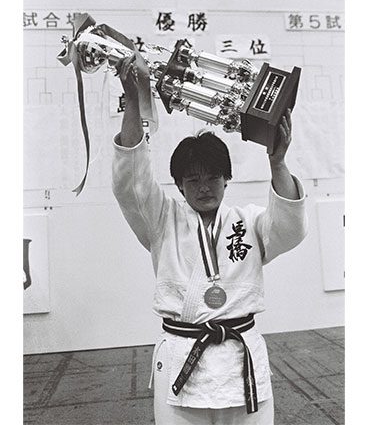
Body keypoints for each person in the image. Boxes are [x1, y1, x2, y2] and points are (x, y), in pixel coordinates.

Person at [111, 51, 308, 424]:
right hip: (183, 356)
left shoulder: (248, 222)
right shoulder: (161, 220)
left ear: (226, 179)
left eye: (213, 177)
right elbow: (131, 181)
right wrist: (134, 102)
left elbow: (291, 229)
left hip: (240, 358)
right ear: (179, 186)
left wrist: (277, 162)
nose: (204, 187)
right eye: (193, 179)